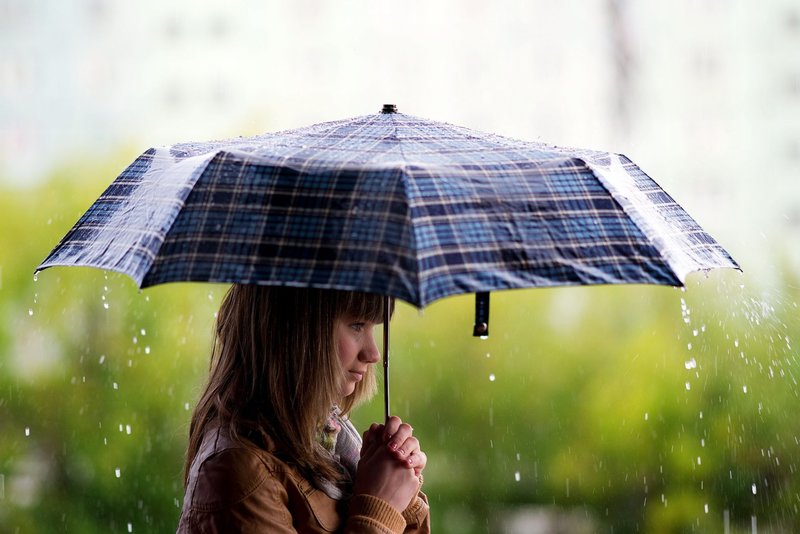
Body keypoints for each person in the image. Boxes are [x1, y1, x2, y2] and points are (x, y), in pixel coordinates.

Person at [176, 285, 430, 533]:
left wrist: (400, 494)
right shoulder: (239, 474)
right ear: (296, 330)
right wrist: (380, 511)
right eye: (356, 325)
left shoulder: (331, 447)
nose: (373, 353)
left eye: (373, 327)